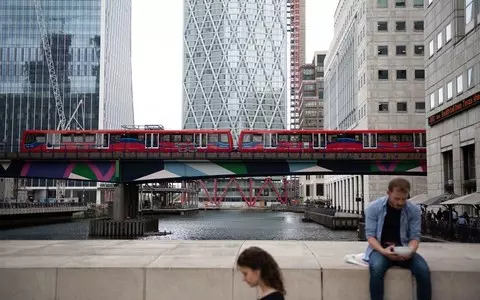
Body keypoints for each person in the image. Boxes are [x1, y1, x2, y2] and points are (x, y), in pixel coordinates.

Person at [363, 177, 431, 300]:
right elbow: (370, 236)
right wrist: (384, 251)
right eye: (396, 198)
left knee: (423, 270)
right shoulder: (373, 208)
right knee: (377, 269)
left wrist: (411, 251)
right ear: (388, 193)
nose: (400, 202)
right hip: (380, 250)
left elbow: (415, 236)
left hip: (404, 249)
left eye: (404, 199)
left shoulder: (413, 210)